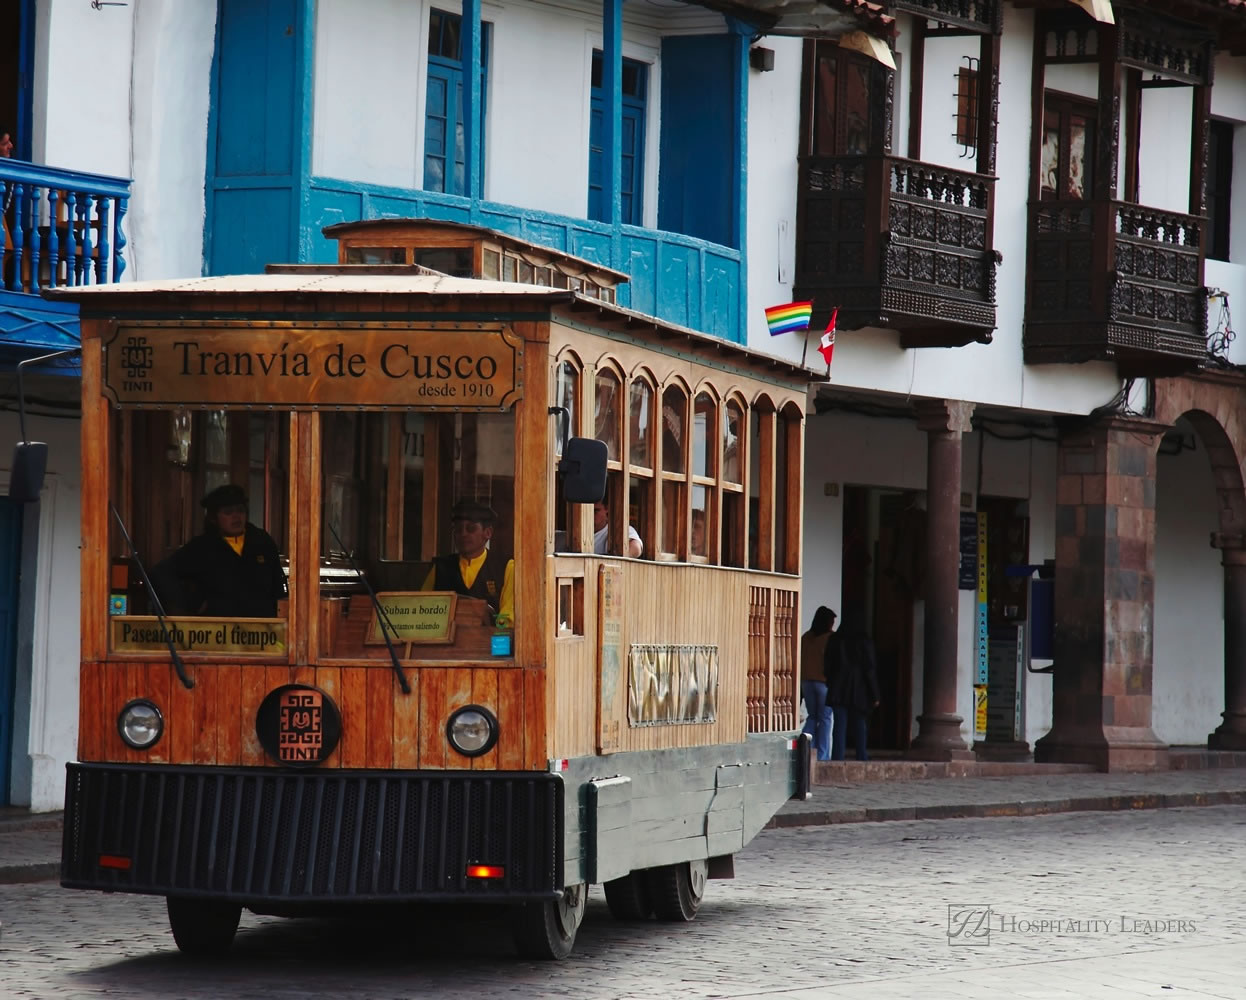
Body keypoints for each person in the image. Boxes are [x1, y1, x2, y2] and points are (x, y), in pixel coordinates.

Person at [151, 484, 286, 618]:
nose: (236, 516)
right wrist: (191, 604)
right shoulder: (202, 547)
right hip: (218, 629)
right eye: (228, 512)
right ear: (213, 518)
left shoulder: (262, 541)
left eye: (240, 510)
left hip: (260, 628)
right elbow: (162, 572)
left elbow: (278, 584)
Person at [421, 499, 515, 627]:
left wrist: (493, 633)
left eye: (470, 528)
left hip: (489, 643)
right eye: (458, 529)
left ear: (487, 533)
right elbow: (420, 610)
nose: (463, 534)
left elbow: (507, 617)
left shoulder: (506, 567)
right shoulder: (440, 567)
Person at [824, 620, 880, 761]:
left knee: (839, 725)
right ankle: (861, 755)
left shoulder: (835, 639)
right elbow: (869, 669)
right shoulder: (864, 641)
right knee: (860, 724)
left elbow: (827, 665)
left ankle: (838, 756)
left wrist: (831, 681)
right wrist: (875, 694)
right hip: (859, 689)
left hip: (838, 687)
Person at [800, 606, 836, 762]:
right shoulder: (830, 638)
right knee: (826, 719)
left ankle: (805, 751)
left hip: (806, 682)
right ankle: (822, 756)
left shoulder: (806, 637)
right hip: (824, 683)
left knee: (812, 717)